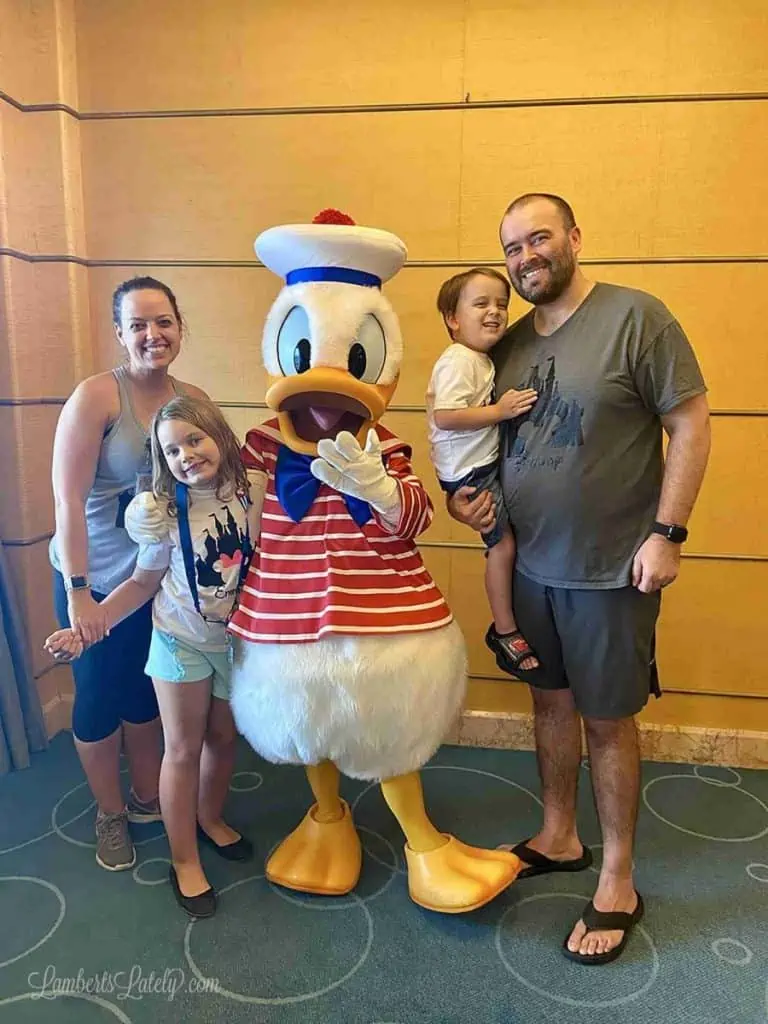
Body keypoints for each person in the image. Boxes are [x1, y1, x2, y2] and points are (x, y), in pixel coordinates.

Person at [447, 194, 710, 965]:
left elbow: (690, 422)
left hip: (611, 570)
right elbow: (485, 440)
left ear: (574, 239)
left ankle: (619, 876)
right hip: (529, 564)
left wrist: (668, 533)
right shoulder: (509, 344)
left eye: (539, 238)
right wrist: (473, 503)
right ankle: (559, 835)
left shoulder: (638, 318)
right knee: (549, 704)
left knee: (608, 720)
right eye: (512, 248)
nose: (526, 257)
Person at [47, 395, 256, 918]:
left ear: (220, 436)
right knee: (182, 748)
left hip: (237, 641)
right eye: (172, 450)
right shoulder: (164, 513)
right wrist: (89, 624)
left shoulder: (258, 490)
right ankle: (184, 859)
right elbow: (141, 582)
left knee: (224, 737)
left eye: (194, 439)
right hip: (179, 640)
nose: (186, 455)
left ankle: (209, 817)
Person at [49, 277, 208, 873]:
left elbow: (210, 478)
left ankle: (146, 798)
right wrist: (77, 592)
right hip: (92, 577)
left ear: (179, 327)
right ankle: (109, 813)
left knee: (146, 689)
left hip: (155, 577)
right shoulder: (95, 398)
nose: (152, 334)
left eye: (163, 321)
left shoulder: (192, 397)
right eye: (138, 324)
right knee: (96, 696)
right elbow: (66, 505)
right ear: (119, 334)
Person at [426, 267, 539, 672]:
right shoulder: (459, 360)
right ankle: (505, 630)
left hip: (474, 464)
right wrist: (499, 411)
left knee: (504, 544)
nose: (495, 312)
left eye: (502, 304)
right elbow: (446, 415)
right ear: (453, 319)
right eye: (481, 304)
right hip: (471, 472)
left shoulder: (478, 358)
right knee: (501, 545)